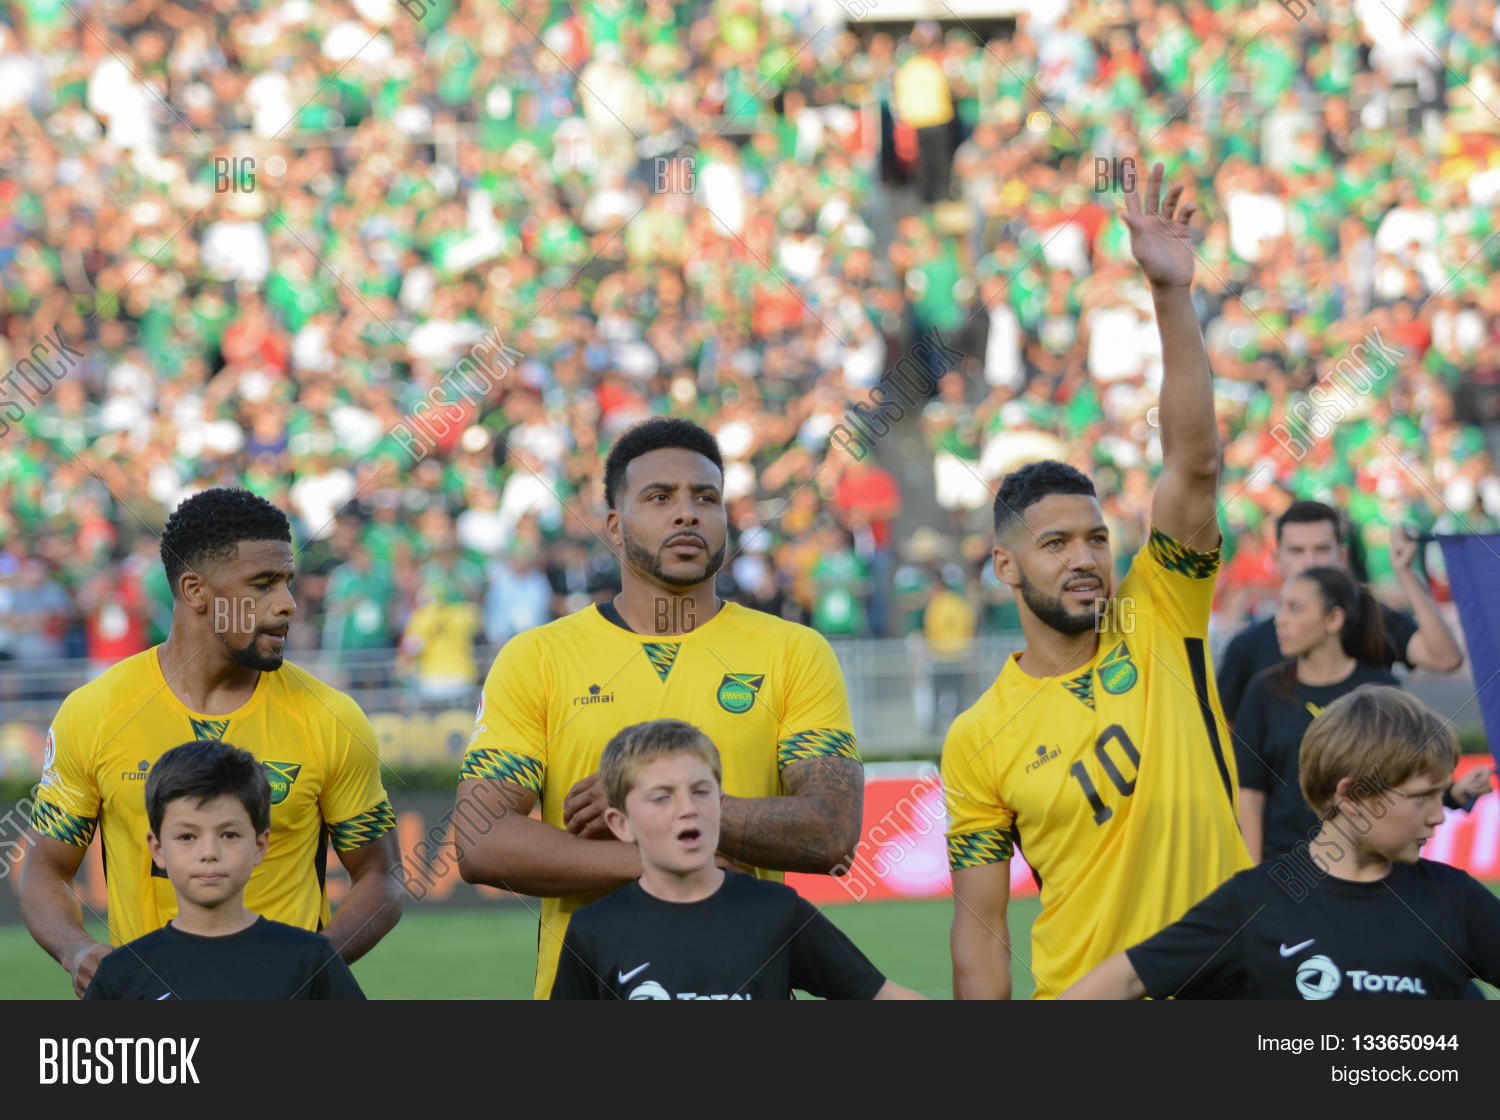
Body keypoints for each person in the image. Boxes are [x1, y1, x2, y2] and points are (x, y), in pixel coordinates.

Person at [942, 163, 1250, 1000]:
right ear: (1004, 565)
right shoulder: (977, 737)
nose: (1083, 558)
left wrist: (1171, 297)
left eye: (1094, 539)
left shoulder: (1161, 607)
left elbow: (1194, 463)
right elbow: (980, 933)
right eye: (1054, 545)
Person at [454, 417, 864, 1000]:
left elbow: (831, 831)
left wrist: (665, 811)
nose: (687, 513)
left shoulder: (794, 651)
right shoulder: (536, 658)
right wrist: (660, 854)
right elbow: (480, 841)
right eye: (659, 497)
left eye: (706, 497)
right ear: (615, 528)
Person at [21, 488, 403, 999]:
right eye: (263, 584)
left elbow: (381, 875)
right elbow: (45, 867)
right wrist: (77, 950)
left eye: (287, 582)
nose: (287, 603)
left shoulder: (330, 717)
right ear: (196, 590)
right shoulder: (95, 713)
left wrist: (310, 965)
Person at [1061, 686, 1500, 999]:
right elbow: (1124, 981)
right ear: (1352, 797)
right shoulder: (1254, 903)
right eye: (1421, 796)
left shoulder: (1455, 900)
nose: (1440, 813)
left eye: (1442, 792)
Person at [550, 719, 922, 1000]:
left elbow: (879, 995)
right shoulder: (592, 930)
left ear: (721, 805)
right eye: (662, 797)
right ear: (621, 823)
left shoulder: (778, 911)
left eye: (700, 792)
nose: (687, 809)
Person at [1235, 566, 1493, 863]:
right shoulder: (1263, 691)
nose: (1280, 619)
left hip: (1370, 869)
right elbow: (1251, 794)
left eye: (1295, 609)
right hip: (1285, 869)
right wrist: (1253, 878)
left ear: (1334, 619)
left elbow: (1403, 779)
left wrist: (1454, 791)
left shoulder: (1381, 690)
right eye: (1281, 607)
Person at [84, 740, 365, 1000]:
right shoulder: (121, 974)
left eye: (229, 835)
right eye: (187, 837)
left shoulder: (311, 961)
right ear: (157, 848)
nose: (209, 853)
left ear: (259, 845)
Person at [1216, 501, 1464, 724]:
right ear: (1276, 558)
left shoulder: (1374, 620)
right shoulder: (1247, 647)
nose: (1310, 562)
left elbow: (1445, 659)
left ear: (1342, 557)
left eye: (1322, 549)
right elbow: (1224, 736)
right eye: (1297, 551)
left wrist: (1406, 574)